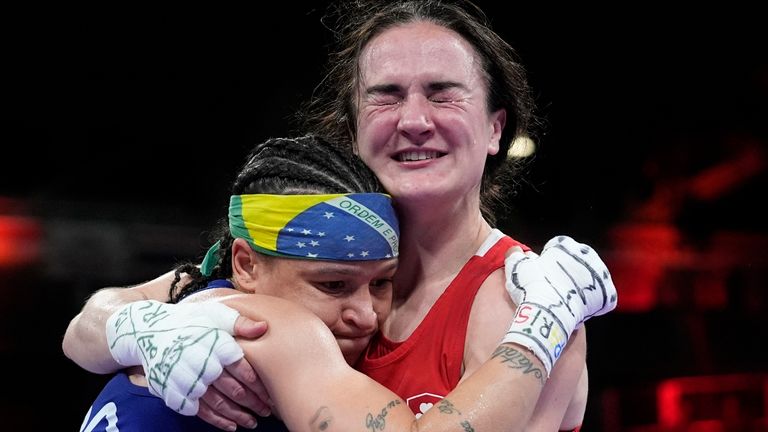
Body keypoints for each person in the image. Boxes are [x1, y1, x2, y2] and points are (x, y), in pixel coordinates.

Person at [64, 1, 618, 430]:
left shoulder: (528, 299)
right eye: (387, 95)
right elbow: (85, 328)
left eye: (443, 94)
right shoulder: (291, 265)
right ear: (352, 129)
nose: (415, 119)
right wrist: (149, 332)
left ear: (497, 128)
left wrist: (540, 328)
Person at [79, 134, 613, 432]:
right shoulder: (276, 328)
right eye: (333, 285)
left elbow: (83, 327)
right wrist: (542, 324)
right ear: (246, 264)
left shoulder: (193, 291)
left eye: (381, 284)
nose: (365, 314)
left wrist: (133, 325)